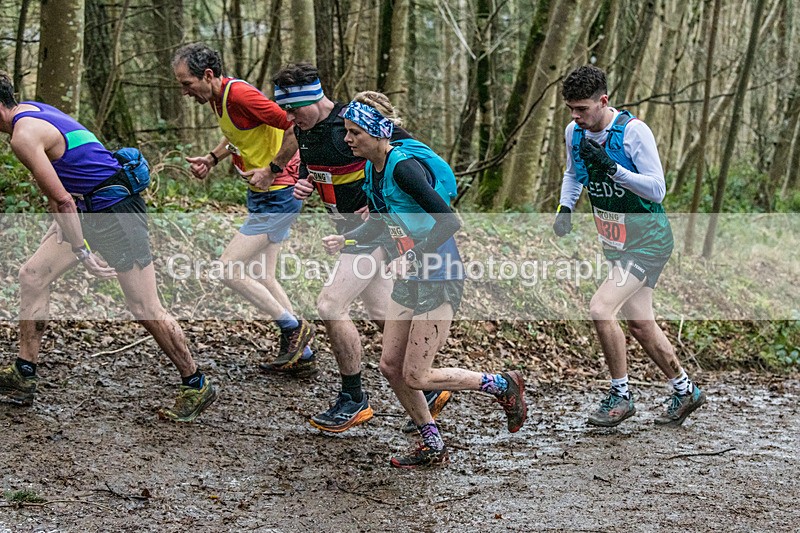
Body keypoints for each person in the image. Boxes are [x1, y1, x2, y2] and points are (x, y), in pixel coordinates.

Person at [322, 91, 527, 468]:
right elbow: (385, 226)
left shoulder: (403, 166)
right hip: (411, 273)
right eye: (346, 132)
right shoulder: (372, 167)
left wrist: (413, 253)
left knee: (416, 374)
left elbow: (449, 221)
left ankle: (501, 385)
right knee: (390, 366)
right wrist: (348, 239)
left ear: (376, 131)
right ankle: (431, 442)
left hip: (439, 274)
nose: (347, 140)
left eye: (354, 133)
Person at [0, 71, 216, 421]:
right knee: (33, 275)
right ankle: (24, 374)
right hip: (90, 207)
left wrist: (83, 249)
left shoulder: (23, 136)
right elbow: (72, 180)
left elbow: (62, 200)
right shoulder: (29, 111)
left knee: (144, 305)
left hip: (115, 210)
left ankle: (196, 382)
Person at [271, 63, 451, 433]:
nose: (289, 117)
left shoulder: (351, 123)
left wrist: (386, 196)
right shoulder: (303, 130)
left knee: (330, 304)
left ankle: (354, 398)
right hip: (351, 231)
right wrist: (304, 182)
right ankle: (428, 383)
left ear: (313, 99)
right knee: (382, 311)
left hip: (377, 231)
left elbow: (407, 157)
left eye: (293, 109)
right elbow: (316, 165)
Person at [554, 65, 705, 427]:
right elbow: (574, 173)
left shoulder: (634, 133)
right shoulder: (574, 132)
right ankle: (685, 390)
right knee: (639, 323)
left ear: (603, 101)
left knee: (601, 307)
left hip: (648, 239)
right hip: (616, 241)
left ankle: (620, 396)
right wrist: (565, 206)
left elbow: (657, 189)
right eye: (571, 109)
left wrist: (613, 170)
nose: (576, 116)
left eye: (582, 109)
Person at [172, 44, 314, 370]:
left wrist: (272, 169)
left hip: (279, 192)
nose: (184, 92)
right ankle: (302, 355)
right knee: (263, 275)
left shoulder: (240, 95)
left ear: (207, 75)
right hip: (265, 194)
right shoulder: (217, 98)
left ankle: (294, 327)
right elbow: (236, 135)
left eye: (186, 83)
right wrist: (212, 158)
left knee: (227, 268)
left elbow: (294, 126)